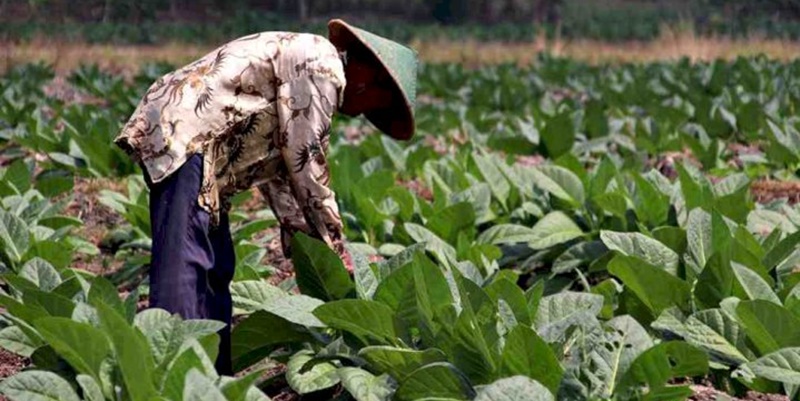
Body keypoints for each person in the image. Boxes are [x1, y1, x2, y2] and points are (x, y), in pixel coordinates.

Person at [113, 19, 418, 375]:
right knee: (186, 263)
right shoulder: (324, 65)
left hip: (203, 151)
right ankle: (167, 377)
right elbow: (308, 161)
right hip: (187, 136)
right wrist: (335, 246)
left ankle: (214, 380)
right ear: (369, 78)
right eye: (372, 105)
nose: (361, 112)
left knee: (217, 266)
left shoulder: (309, 68)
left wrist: (311, 247)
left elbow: (284, 173)